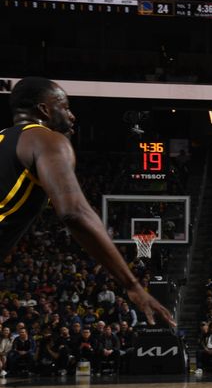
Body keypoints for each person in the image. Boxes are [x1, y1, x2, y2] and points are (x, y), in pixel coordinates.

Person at [1, 77, 174, 327]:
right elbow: (74, 212)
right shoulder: (47, 139)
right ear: (44, 110)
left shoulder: (5, 139)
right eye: (65, 107)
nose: (71, 116)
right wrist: (132, 285)